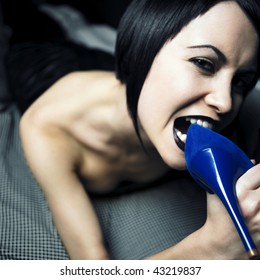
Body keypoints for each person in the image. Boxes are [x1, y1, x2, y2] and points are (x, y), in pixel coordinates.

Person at [18, 0, 260, 260]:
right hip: (40, 66)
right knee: (34, 32)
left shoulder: (225, 119)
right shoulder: (46, 128)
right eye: (203, 63)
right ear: (138, 53)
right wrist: (210, 245)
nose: (224, 103)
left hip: (116, 72)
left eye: (240, 82)